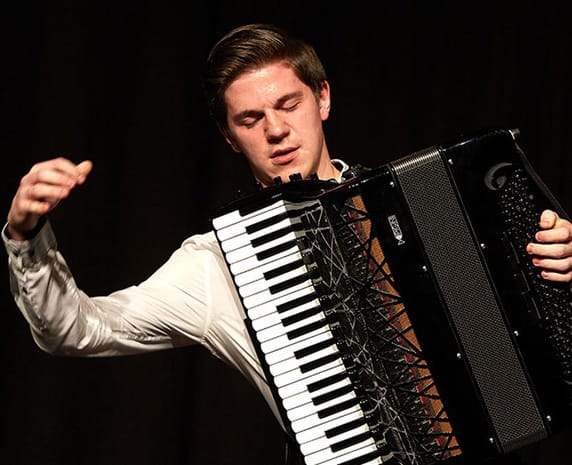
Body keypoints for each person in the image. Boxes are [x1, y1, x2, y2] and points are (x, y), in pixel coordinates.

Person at [3, 23, 572, 465]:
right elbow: (77, 330)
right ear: (229, 136)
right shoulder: (214, 265)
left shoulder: (428, 204)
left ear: (322, 98)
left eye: (288, 105)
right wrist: (28, 237)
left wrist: (562, 266)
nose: (275, 130)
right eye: (250, 119)